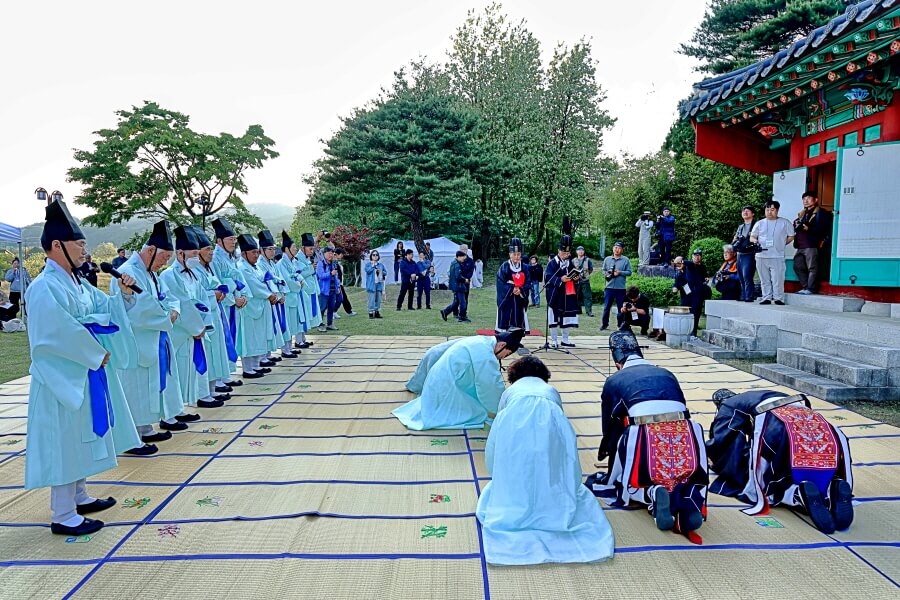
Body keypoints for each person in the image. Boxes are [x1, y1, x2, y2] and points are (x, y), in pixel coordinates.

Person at [476, 356, 615, 566]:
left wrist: (497, 471)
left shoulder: (510, 392)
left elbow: (497, 434)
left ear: (514, 375)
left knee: (518, 470)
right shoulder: (550, 391)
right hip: (551, 428)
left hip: (513, 429)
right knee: (551, 466)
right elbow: (562, 433)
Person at [586, 328, 708, 542]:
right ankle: (687, 501)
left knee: (631, 480)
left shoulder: (615, 379)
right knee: (681, 474)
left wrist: (610, 455)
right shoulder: (667, 373)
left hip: (644, 432)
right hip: (685, 431)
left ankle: (651, 493)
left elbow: (611, 424)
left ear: (617, 362)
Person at [707, 389, 853, 534]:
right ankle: (831, 486)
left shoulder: (729, 406)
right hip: (816, 425)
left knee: (760, 477)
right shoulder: (766, 394)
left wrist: (718, 461)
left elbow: (724, 444)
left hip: (775, 425)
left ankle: (795, 494)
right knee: (797, 460)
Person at [111, 221, 189, 448]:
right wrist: (166, 316)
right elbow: (136, 310)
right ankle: (131, 436)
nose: (166, 262)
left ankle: (144, 428)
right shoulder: (126, 272)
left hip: (153, 338)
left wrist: (173, 310)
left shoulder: (150, 274)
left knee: (147, 385)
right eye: (164, 257)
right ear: (151, 251)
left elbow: (167, 297)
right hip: (135, 340)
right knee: (134, 385)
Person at [392, 329, 525, 430]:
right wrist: (505, 408)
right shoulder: (485, 354)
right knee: (478, 413)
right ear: (501, 345)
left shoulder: (481, 341)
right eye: (505, 354)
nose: (501, 359)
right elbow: (490, 386)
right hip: (446, 389)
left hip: (437, 383)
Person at [159, 226, 223, 410]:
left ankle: (201, 396)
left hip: (196, 328)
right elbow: (182, 303)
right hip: (181, 330)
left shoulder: (193, 274)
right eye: (194, 253)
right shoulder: (169, 275)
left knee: (195, 367)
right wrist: (196, 327)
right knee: (177, 370)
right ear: (180, 253)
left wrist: (204, 323)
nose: (197, 257)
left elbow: (203, 297)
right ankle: (175, 410)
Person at [190, 226, 238, 401]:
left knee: (216, 350)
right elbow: (197, 294)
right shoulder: (195, 270)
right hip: (205, 316)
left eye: (211, 249)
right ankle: (204, 394)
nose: (211, 252)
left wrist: (221, 292)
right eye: (207, 249)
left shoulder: (208, 268)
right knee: (208, 352)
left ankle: (213, 387)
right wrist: (215, 294)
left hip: (216, 312)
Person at [235, 234, 277, 377]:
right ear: (243, 254)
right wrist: (269, 294)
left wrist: (271, 293)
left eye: (257, 252)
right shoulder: (242, 267)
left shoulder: (255, 267)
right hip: (249, 308)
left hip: (260, 306)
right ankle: (247, 368)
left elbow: (263, 281)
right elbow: (254, 285)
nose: (256, 255)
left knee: (258, 336)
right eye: (253, 252)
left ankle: (256, 364)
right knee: (249, 338)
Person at [750, 199, 795, 305]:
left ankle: (779, 298)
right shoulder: (759, 223)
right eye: (767, 209)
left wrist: (782, 243)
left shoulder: (785, 222)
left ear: (777, 210)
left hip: (777, 255)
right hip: (761, 255)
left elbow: (791, 236)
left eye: (772, 209)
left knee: (778, 278)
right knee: (764, 278)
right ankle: (766, 297)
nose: (769, 212)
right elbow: (752, 236)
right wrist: (755, 242)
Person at [793, 191, 833, 295]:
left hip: (811, 244)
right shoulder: (802, 214)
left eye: (808, 198)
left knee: (812, 268)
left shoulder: (821, 213)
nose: (805, 200)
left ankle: (811, 289)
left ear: (816, 200)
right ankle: (806, 287)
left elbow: (822, 229)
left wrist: (808, 228)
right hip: (800, 244)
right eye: (804, 198)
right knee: (798, 266)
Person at [258, 230, 288, 363]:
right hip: (268, 299)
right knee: (265, 328)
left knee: (272, 326)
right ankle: (263, 356)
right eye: (269, 249)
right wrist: (275, 294)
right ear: (262, 250)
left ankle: (268, 354)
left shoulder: (272, 263)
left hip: (276, 298)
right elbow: (266, 282)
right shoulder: (259, 264)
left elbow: (279, 279)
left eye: (274, 249)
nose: (272, 252)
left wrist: (282, 293)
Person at [545, 235, 579, 348]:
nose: (566, 255)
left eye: (568, 253)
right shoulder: (552, 263)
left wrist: (576, 278)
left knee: (567, 316)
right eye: (564, 253)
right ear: (559, 251)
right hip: (556, 294)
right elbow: (548, 277)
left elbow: (573, 272)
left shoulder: (570, 262)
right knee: (554, 317)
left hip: (567, 293)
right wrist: (560, 279)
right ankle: (554, 340)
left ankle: (565, 339)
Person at [275, 231, 306, 356]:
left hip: (294, 297)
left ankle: (290, 347)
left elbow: (296, 274)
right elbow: (287, 280)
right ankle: (285, 349)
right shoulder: (281, 263)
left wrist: (300, 280)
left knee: (293, 323)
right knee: (287, 323)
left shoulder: (291, 262)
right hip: (287, 297)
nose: (296, 249)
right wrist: (299, 284)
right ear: (287, 249)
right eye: (294, 247)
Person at [673, 251, 710, 337]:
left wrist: (706, 279)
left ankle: (693, 333)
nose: (678, 266)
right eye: (676, 264)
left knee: (695, 314)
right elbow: (677, 283)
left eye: (679, 263)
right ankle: (683, 331)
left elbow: (691, 265)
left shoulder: (692, 267)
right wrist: (675, 288)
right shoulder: (679, 273)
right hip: (686, 297)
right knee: (684, 314)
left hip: (696, 295)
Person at [496, 238, 529, 331]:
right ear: (510, 254)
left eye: (518, 254)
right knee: (506, 319)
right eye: (514, 254)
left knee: (519, 318)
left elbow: (528, 282)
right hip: (508, 299)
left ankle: (517, 341)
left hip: (520, 298)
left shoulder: (525, 267)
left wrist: (521, 289)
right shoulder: (504, 266)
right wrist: (511, 289)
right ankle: (505, 341)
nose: (516, 257)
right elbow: (500, 282)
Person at [295, 233, 322, 346]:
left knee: (307, 316)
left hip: (310, 290)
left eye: (312, 249)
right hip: (303, 292)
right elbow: (297, 274)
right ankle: (298, 340)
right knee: (301, 316)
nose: (312, 251)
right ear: (303, 248)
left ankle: (303, 338)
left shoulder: (306, 258)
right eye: (310, 249)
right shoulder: (296, 259)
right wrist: (311, 269)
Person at [600, 241, 632, 331]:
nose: (616, 249)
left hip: (620, 288)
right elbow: (603, 270)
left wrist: (620, 273)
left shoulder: (625, 260)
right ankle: (604, 325)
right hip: (609, 287)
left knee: (620, 308)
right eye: (615, 247)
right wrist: (606, 273)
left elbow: (629, 272)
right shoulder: (607, 259)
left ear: (622, 249)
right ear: (613, 248)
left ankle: (620, 324)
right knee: (606, 307)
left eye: (619, 248)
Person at [732, 205, 758, 302]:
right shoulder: (740, 227)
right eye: (743, 211)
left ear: (753, 214)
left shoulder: (756, 225)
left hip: (750, 253)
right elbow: (735, 239)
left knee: (747, 275)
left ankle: (749, 296)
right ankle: (743, 295)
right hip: (740, 253)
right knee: (741, 276)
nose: (745, 212)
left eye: (748, 211)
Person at [441, 251, 470, 323]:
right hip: (459, 286)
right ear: (459, 257)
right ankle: (462, 317)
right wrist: (465, 280)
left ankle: (445, 311)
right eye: (463, 257)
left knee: (456, 302)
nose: (464, 258)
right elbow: (458, 277)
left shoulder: (453, 263)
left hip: (455, 286)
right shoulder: (457, 265)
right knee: (463, 302)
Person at [316, 246, 341, 331]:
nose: (331, 255)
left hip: (333, 290)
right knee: (322, 308)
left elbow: (336, 277)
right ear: (324, 254)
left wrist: (338, 287)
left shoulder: (333, 264)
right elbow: (321, 276)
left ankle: (330, 324)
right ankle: (320, 325)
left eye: (332, 253)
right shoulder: (321, 264)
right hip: (324, 291)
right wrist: (330, 273)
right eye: (329, 253)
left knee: (331, 308)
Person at [333, 248, 357, 316]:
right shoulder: (333, 262)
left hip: (339, 283)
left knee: (342, 298)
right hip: (335, 283)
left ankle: (336, 311)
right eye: (341, 254)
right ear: (337, 254)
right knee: (340, 298)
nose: (342, 256)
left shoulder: (336, 262)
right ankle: (334, 311)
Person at [573, 246, 595, 317]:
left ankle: (589, 311)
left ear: (584, 251)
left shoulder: (588, 260)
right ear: (576, 252)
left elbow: (591, 269)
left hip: (585, 281)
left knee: (587, 296)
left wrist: (586, 275)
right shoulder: (573, 260)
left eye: (582, 250)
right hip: (576, 281)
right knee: (576, 296)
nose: (580, 251)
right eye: (579, 250)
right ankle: (577, 310)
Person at [364, 250, 387, 319]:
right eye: (373, 255)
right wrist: (373, 266)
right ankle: (370, 312)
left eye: (376, 255)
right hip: (371, 284)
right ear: (371, 256)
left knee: (378, 299)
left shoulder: (380, 265)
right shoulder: (368, 264)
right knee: (371, 299)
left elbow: (385, 273)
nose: (375, 256)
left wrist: (381, 271)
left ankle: (377, 312)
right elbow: (367, 271)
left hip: (379, 284)